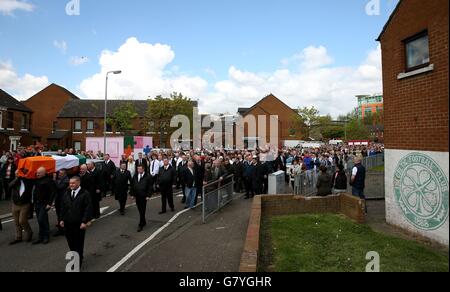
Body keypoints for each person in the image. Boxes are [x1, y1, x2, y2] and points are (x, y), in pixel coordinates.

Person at [60, 176, 92, 268]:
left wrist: (84, 221)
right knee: (71, 242)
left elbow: (88, 208)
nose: (71, 185)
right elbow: (63, 207)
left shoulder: (85, 194)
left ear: (78, 183)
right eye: (70, 183)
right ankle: (76, 256)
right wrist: (61, 219)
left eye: (73, 183)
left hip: (79, 224)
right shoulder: (67, 193)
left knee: (78, 243)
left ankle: (77, 262)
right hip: (68, 223)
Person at [32, 167, 56, 245]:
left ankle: (46, 236)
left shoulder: (48, 180)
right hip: (37, 203)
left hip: (44, 203)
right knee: (40, 220)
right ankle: (40, 236)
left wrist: (49, 203)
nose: (37, 174)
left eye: (39, 173)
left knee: (42, 219)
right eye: (37, 172)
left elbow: (53, 192)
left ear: (44, 173)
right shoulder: (36, 180)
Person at [8, 172, 33, 244]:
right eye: (16, 174)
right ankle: (18, 237)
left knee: (22, 221)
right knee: (16, 222)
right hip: (15, 204)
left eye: (18, 173)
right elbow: (9, 186)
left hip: (25, 204)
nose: (17, 175)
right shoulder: (15, 181)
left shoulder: (27, 180)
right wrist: (17, 179)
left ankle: (29, 232)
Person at [130, 166, 151, 232]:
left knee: (142, 209)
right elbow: (132, 185)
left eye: (140, 169)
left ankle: (141, 224)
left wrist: (148, 195)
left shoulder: (147, 176)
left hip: (143, 196)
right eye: (138, 169)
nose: (138, 170)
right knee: (139, 209)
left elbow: (149, 187)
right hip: (137, 195)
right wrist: (132, 194)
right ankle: (143, 221)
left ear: (143, 169)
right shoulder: (135, 176)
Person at [53, 169, 70, 237]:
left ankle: (63, 229)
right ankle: (61, 229)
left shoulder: (66, 180)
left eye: (61, 174)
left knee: (62, 215)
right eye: (59, 173)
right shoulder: (59, 179)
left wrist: (54, 179)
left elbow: (59, 187)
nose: (59, 175)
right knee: (59, 214)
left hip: (63, 200)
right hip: (58, 200)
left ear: (65, 174)